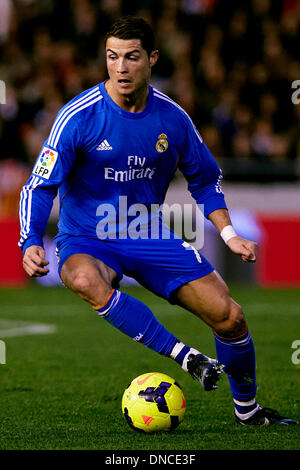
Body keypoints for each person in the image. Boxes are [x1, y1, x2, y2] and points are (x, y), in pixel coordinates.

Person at [19, 16, 297, 426]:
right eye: (112, 57)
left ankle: (248, 410)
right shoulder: (77, 116)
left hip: (147, 232)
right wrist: (30, 242)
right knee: (81, 278)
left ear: (151, 59)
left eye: (132, 57)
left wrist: (229, 233)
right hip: (87, 237)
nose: (121, 67)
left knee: (230, 316)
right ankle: (188, 358)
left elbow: (205, 180)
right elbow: (39, 187)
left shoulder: (173, 119)